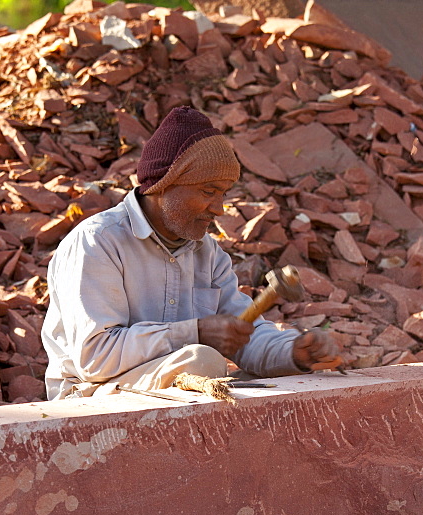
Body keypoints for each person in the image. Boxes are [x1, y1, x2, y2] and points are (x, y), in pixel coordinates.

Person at [42, 106, 342, 400]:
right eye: (209, 191)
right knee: (202, 363)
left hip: (166, 386)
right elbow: (95, 358)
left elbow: (245, 337)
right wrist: (195, 333)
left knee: (278, 382)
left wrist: (292, 352)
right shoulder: (98, 242)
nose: (219, 208)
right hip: (90, 394)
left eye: (223, 193)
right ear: (164, 185)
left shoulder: (207, 253)